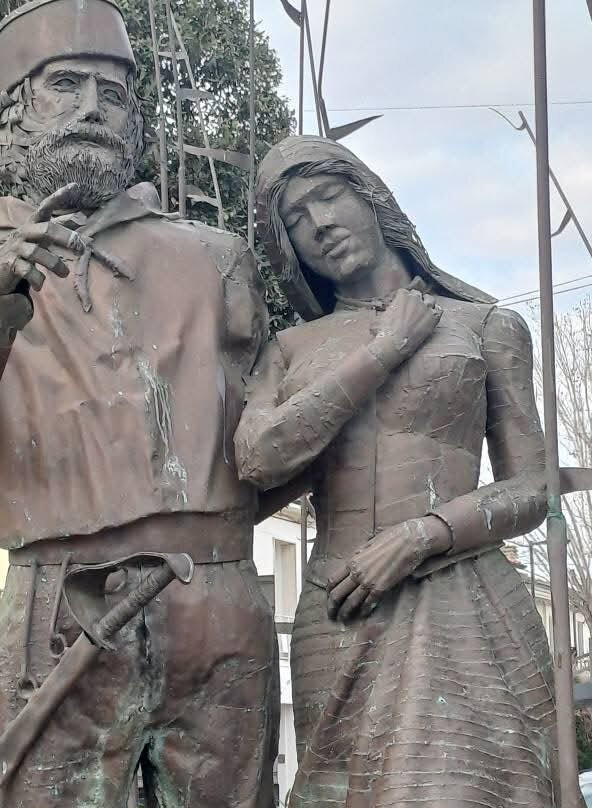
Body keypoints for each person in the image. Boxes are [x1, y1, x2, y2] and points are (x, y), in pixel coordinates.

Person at [0, 2, 278, 805]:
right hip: (56, 601)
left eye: (116, 91)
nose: (96, 106)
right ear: (15, 112)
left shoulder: (213, 259)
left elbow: (273, 431)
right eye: (66, 84)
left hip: (219, 595)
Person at [235, 135, 580, 807]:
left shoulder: (485, 326)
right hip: (340, 612)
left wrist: (423, 536)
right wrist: (384, 351)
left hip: (466, 602)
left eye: (328, 198)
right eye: (297, 221)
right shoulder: (290, 349)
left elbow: (534, 487)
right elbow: (258, 459)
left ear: (370, 197)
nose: (321, 226)